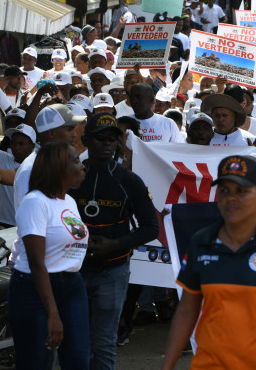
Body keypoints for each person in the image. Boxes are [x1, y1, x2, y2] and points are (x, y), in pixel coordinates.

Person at [162, 155, 256, 370]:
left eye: (241, 191)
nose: (231, 198)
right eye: (224, 191)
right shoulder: (200, 242)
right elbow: (186, 313)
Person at [70, 114, 159, 369]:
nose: (108, 144)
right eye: (101, 138)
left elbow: (151, 228)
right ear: (87, 140)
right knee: (75, 342)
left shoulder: (129, 180)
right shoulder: (70, 177)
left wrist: (115, 244)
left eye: (113, 139)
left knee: (103, 343)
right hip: (73, 272)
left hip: (112, 272)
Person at [8, 141, 89, 369]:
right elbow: (36, 263)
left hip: (72, 285)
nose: (82, 166)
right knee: (35, 361)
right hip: (34, 288)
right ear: (58, 168)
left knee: (78, 358)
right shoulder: (34, 202)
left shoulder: (69, 201)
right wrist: (53, 313)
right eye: (76, 161)